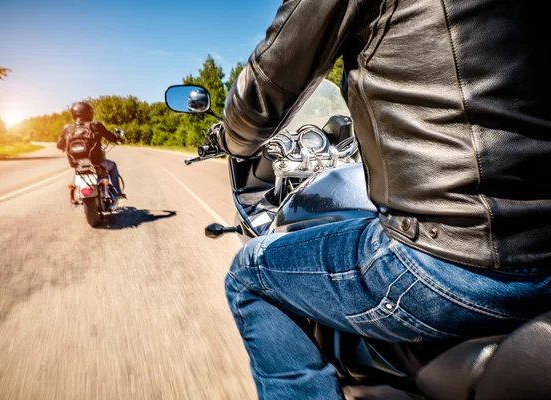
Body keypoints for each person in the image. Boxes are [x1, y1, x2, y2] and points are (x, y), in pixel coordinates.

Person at [207, 1, 551, 399]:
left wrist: (229, 138)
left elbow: (272, 79)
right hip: (539, 258)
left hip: (449, 256)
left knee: (250, 273)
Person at [57, 102, 125, 199]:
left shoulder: (67, 129)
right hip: (96, 162)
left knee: (78, 170)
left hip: (76, 164)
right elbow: (110, 137)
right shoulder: (95, 125)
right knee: (113, 165)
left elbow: (59, 145)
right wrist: (117, 138)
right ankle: (117, 192)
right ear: (89, 113)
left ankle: (74, 195)